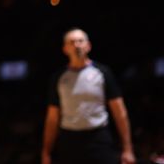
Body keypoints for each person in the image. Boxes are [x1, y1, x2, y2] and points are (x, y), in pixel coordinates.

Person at [41, 27, 136, 164]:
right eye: (72, 42)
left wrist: (128, 149)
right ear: (65, 49)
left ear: (88, 46)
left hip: (98, 137)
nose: (77, 45)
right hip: (70, 140)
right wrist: (46, 152)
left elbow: (120, 112)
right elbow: (52, 118)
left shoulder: (103, 72)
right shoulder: (58, 77)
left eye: (80, 41)